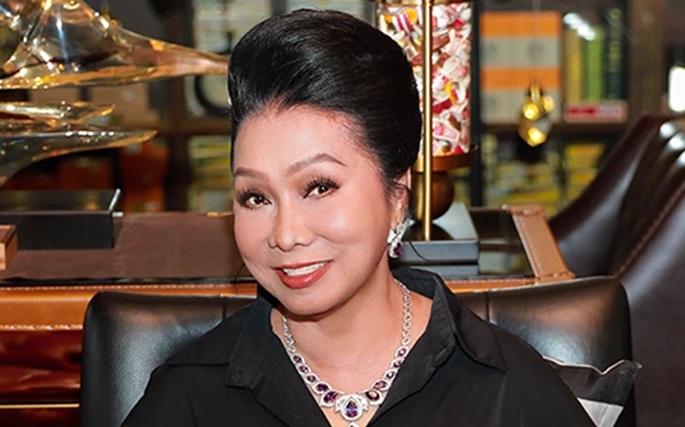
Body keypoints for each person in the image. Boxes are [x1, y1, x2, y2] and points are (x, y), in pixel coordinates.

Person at [121, 9, 594, 427]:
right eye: (256, 197)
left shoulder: (510, 391)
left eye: (319, 187)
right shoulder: (190, 398)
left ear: (398, 194)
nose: (286, 235)